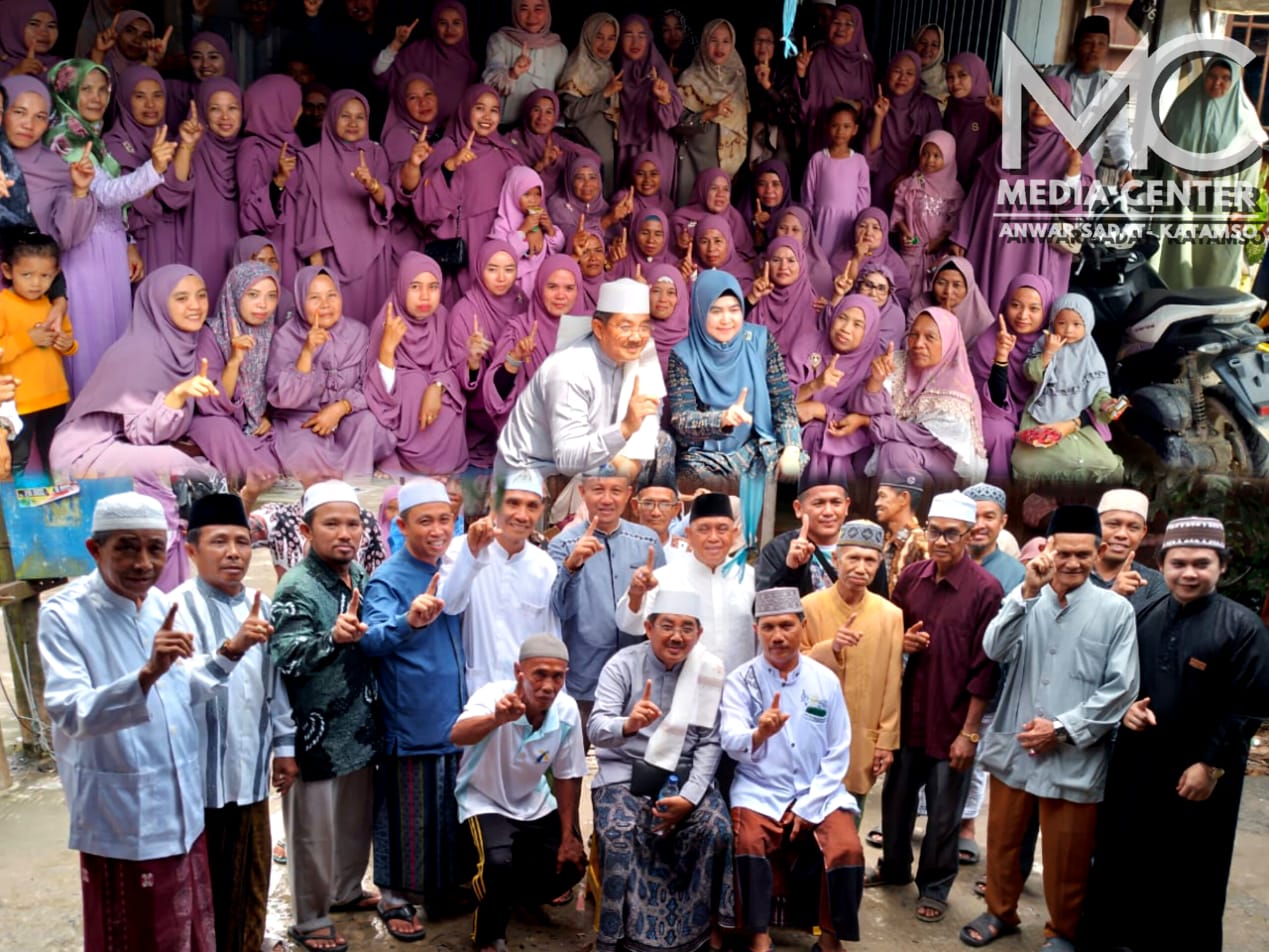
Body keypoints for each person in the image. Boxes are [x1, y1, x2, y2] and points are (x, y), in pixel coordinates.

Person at [38, 491, 232, 951]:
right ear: (95, 549)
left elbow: (183, 687)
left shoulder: (159, 604)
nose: (143, 562)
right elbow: (70, 711)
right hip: (121, 814)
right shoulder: (64, 614)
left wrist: (231, 651)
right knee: (133, 934)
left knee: (186, 929)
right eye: (126, 547)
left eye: (154, 548)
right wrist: (145, 675)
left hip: (181, 804)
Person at [1083, 516, 1269, 952]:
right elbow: (1115, 676)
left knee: (1190, 872)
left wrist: (1210, 764)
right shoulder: (1143, 612)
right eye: (1178, 562)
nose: (1189, 573)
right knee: (1121, 858)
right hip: (1136, 764)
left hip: (1200, 778)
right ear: (1162, 565)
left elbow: (1249, 707)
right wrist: (1123, 709)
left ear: (1221, 567)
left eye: (1201, 563)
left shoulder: (1243, 628)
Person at [960, 504, 1138, 950]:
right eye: (1065, 553)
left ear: (1098, 553)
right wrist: (1025, 593)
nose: (1074, 563)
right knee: (1002, 841)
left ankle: (1062, 932)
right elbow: (993, 648)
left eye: (1084, 554)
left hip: (1074, 750)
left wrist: (1060, 728)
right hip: (1017, 743)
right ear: (1048, 551)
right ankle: (1000, 912)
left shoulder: (1115, 610)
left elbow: (1121, 688)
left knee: (1067, 856)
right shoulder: (1026, 597)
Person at [169, 493, 297, 952]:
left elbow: (273, 683)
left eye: (242, 542)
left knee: (253, 875)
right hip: (197, 781)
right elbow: (176, 689)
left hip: (250, 774)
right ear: (191, 549)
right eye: (219, 542)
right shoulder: (174, 609)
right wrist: (231, 649)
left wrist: (284, 749)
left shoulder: (259, 604)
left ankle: (250, 941)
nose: (233, 553)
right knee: (205, 887)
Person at [867, 491, 1001, 925]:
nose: (941, 541)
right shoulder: (911, 578)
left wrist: (970, 732)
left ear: (968, 536)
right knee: (896, 799)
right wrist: (903, 643)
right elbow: (892, 636)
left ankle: (936, 886)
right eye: (935, 531)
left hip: (952, 720)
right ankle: (894, 867)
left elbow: (986, 669)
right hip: (909, 715)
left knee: (945, 811)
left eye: (951, 534)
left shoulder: (985, 590)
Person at [49, 265, 219, 592]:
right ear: (156, 304)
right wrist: (176, 396)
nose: (195, 305)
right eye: (181, 298)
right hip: (84, 450)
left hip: (117, 444)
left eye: (200, 295)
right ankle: (162, 582)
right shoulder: (140, 352)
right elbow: (142, 433)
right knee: (178, 467)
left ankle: (165, 582)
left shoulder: (177, 343)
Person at [589, 588, 735, 952]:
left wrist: (688, 798)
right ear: (649, 627)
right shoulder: (622, 665)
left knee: (716, 830)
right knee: (621, 833)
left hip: (686, 777)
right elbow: (595, 730)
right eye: (667, 626)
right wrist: (629, 724)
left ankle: (702, 933)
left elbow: (709, 742)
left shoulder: (710, 671)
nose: (676, 636)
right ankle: (618, 935)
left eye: (687, 628)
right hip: (624, 773)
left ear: (699, 634)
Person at [269, 480, 381, 952]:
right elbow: (285, 657)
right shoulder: (295, 586)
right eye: (331, 524)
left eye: (352, 523)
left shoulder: (356, 573)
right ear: (305, 529)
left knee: (355, 822)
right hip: (313, 733)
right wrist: (331, 638)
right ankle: (310, 917)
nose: (344, 533)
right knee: (311, 834)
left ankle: (347, 891)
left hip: (357, 724)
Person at [722, 585, 865, 949]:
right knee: (748, 841)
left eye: (786, 626)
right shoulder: (741, 681)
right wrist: (759, 733)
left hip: (818, 789)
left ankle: (831, 938)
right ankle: (758, 935)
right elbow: (731, 740)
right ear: (756, 631)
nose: (777, 636)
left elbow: (839, 749)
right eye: (768, 627)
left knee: (846, 848)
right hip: (759, 788)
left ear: (802, 626)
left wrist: (810, 805)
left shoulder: (825, 680)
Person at [360, 479, 466, 937]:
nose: (438, 529)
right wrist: (408, 620)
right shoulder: (388, 577)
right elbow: (372, 638)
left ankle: (438, 887)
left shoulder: (454, 568)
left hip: (454, 714)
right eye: (426, 521)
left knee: (446, 806)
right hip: (412, 716)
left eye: (445, 519)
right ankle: (395, 896)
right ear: (402, 525)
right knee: (406, 811)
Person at [45, 58, 176, 395]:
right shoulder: (65, 139)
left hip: (108, 248)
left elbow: (111, 204)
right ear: (67, 92)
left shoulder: (90, 136)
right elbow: (103, 194)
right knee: (89, 342)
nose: (96, 97)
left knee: (111, 337)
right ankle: (85, 427)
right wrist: (153, 168)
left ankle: (107, 419)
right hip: (83, 252)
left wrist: (128, 239)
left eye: (103, 89)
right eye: (86, 89)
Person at [450, 634, 588, 952]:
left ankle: (517, 897)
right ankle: (489, 934)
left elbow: (568, 777)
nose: (548, 685)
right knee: (497, 864)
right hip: (483, 799)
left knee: (571, 864)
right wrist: (496, 719)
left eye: (558, 676)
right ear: (519, 672)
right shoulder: (493, 696)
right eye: (540, 673)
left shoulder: (566, 711)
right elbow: (457, 735)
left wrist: (569, 834)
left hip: (533, 801)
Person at [949, 75, 1093, 311]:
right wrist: (962, 235)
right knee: (983, 307)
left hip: (1033, 247)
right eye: (1035, 100)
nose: (1040, 107)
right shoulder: (1011, 139)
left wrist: (1073, 167)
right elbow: (980, 190)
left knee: (1024, 312)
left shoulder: (1074, 149)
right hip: (989, 242)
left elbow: (1073, 216)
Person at [495, 277, 661, 480]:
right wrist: (625, 428)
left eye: (643, 327)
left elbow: (645, 436)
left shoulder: (640, 360)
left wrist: (627, 461)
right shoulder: (570, 368)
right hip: (532, 475)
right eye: (625, 327)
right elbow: (567, 459)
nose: (636, 337)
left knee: (663, 448)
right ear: (599, 329)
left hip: (590, 469)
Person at [800, 521, 904, 821]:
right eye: (853, 558)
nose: (861, 567)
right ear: (836, 560)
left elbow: (891, 681)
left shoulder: (891, 615)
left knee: (847, 825)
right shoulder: (809, 607)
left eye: (870, 560)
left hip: (863, 736)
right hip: (813, 732)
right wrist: (829, 648)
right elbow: (792, 667)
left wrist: (886, 740)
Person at [548, 469, 664, 733]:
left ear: (628, 494)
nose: (607, 499)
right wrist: (572, 567)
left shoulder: (647, 541)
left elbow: (661, 612)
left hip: (638, 676)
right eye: (598, 490)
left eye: (616, 490)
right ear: (582, 493)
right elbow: (559, 610)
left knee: (635, 761)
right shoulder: (563, 544)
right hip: (584, 674)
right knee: (573, 761)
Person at [668, 269, 801, 493]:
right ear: (700, 312)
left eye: (734, 310)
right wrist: (721, 419)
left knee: (793, 467)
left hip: (756, 445)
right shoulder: (682, 355)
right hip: (705, 455)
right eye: (716, 311)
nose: (726, 320)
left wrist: (792, 446)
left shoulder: (760, 340)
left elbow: (782, 399)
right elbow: (682, 420)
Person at [265, 266, 394, 479]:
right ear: (299, 301)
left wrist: (341, 407)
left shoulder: (358, 333)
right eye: (314, 297)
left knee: (368, 423)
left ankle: (355, 487)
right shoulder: (285, 338)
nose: (325, 304)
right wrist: (306, 352)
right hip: (302, 421)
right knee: (305, 454)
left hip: (345, 415)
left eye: (331, 295)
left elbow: (370, 384)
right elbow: (283, 397)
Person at [439, 469, 560, 694]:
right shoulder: (461, 548)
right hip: (475, 692)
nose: (522, 515)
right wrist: (471, 555)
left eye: (532, 506)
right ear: (494, 503)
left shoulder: (544, 565)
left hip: (525, 695)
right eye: (513, 503)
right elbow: (450, 605)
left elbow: (550, 636)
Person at [1154, 56, 1266, 289]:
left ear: (1234, 81)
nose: (1218, 83)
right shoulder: (1182, 109)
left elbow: (1250, 171)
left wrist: (1240, 210)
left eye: (1225, 78)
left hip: (1219, 208)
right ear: (1204, 76)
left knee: (1215, 264)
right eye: (1213, 76)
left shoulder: (1244, 120)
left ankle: (1209, 313)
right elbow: (1161, 153)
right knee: (1174, 259)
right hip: (1180, 202)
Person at [617, 491, 756, 673]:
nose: (713, 538)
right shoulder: (665, 577)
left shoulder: (751, 578)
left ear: (734, 533)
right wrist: (636, 593)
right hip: (682, 688)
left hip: (740, 690)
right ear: (689, 534)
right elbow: (630, 625)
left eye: (722, 529)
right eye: (704, 529)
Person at [412, 85, 523, 301]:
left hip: (501, 240)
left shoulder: (506, 151)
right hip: (467, 240)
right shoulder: (448, 147)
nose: (487, 116)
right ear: (465, 110)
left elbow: (529, 195)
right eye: (479, 108)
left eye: (494, 110)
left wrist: (536, 227)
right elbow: (426, 207)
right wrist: (451, 166)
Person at [292, 88, 393, 324]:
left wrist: (372, 185)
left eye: (360, 117)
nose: (353, 123)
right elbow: (308, 215)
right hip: (331, 259)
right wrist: (319, 272)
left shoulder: (376, 154)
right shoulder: (310, 158)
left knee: (373, 327)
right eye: (345, 115)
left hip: (374, 257)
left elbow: (388, 204)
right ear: (332, 116)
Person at [854, 307, 987, 486]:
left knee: (896, 452)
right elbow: (863, 410)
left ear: (948, 342)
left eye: (930, 337)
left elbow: (927, 435)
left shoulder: (956, 381)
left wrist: (871, 423)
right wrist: (875, 381)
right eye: (913, 335)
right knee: (865, 451)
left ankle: (910, 512)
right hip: (901, 444)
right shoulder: (897, 362)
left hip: (944, 463)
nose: (918, 344)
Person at [365, 252, 469, 476]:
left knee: (449, 395)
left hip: (435, 400)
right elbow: (373, 391)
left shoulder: (441, 316)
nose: (425, 296)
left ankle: (441, 465)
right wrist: (387, 350)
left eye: (433, 287)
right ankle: (399, 459)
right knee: (412, 383)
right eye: (415, 287)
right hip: (402, 410)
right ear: (402, 287)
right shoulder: (387, 321)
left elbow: (451, 365)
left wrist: (437, 386)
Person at [187, 260, 285, 490]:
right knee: (217, 428)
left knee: (284, 441)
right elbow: (210, 403)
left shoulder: (276, 334)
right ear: (235, 294)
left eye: (271, 296)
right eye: (253, 294)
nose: (264, 304)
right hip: (217, 419)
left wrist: (268, 416)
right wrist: (234, 361)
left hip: (257, 427)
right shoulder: (211, 333)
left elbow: (280, 389)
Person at [1010, 294, 1124, 484]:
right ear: (1053, 321)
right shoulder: (1043, 343)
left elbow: (1097, 392)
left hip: (1078, 421)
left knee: (1106, 464)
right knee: (1025, 464)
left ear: (1088, 325)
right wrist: (1048, 352)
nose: (1068, 330)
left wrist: (1106, 404)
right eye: (1062, 323)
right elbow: (1031, 373)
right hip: (1043, 414)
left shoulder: (1091, 353)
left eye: (1077, 324)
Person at [102, 65, 195, 274]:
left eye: (158, 95)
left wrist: (187, 146)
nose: (150, 104)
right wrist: (153, 168)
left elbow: (176, 196)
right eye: (140, 96)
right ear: (125, 100)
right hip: (137, 245)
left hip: (173, 239)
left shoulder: (169, 140)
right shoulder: (112, 145)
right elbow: (131, 209)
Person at [0, 229, 76, 479]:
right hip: (17, 402)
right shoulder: (4, 304)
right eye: (27, 275)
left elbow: (70, 342)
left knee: (54, 455)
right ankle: (14, 507)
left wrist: (67, 344)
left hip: (54, 396)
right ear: (7, 271)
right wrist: (27, 339)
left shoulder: (51, 306)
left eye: (45, 276)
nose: (36, 283)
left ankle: (54, 501)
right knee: (17, 459)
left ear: (55, 276)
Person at [789, 293, 882, 484]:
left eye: (858, 324)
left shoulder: (875, 363)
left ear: (870, 331)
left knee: (826, 435)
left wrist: (820, 410)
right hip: (796, 431)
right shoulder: (807, 344)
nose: (846, 329)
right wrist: (815, 385)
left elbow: (869, 421)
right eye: (842, 317)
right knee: (818, 433)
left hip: (849, 436)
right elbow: (780, 401)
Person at [970, 273, 1055, 482]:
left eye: (1034, 308)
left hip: (1042, 414)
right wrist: (1001, 356)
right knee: (998, 432)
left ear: (1046, 311)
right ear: (1005, 304)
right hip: (999, 413)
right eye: (1015, 305)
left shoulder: (1054, 344)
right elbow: (992, 402)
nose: (1023, 315)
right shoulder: (989, 341)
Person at [236, 74, 304, 287]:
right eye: (295, 103)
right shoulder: (253, 149)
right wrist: (279, 181)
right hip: (274, 249)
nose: (300, 110)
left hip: (296, 245)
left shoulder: (293, 143)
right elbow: (250, 216)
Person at [1045, 15, 1130, 184]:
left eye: (1101, 44)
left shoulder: (1112, 88)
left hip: (1083, 166)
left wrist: (1125, 166)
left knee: (1072, 207)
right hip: (1044, 159)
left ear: (1107, 48)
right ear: (1076, 45)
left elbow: (1118, 133)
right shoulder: (1052, 75)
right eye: (1088, 42)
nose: (1094, 49)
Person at [674, 19, 749, 205]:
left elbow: (743, 125)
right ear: (704, 42)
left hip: (729, 167)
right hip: (695, 162)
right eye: (713, 40)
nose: (720, 47)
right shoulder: (689, 78)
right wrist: (710, 113)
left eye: (726, 41)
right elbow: (677, 124)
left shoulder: (738, 77)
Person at [374, 3, 478, 127]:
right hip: (411, 133)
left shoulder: (469, 65)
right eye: (443, 23)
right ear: (434, 25)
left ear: (465, 26)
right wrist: (396, 44)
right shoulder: (417, 52)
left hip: (449, 137)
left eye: (456, 23)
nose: (450, 29)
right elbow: (379, 72)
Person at [866, 50, 941, 211]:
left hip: (919, 175)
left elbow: (937, 150)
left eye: (909, 73)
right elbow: (871, 152)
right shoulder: (880, 102)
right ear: (888, 73)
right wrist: (880, 116)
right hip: (881, 174)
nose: (902, 78)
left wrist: (907, 177)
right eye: (897, 71)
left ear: (917, 78)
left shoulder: (927, 106)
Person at [795, 4, 875, 153]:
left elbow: (872, 105)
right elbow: (806, 101)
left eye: (848, 24)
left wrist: (858, 105)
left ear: (857, 29)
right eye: (836, 22)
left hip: (852, 144)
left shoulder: (865, 66)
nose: (841, 28)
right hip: (820, 139)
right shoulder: (818, 56)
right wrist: (801, 73)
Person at [756, 478, 851, 596]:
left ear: (846, 506)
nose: (828, 512)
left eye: (836, 502)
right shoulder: (777, 550)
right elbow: (762, 608)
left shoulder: (863, 548)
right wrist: (790, 570)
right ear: (798, 508)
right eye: (818, 503)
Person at [892, 131, 963, 288]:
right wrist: (906, 233)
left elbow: (955, 221)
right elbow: (898, 214)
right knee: (904, 289)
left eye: (937, 156)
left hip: (938, 252)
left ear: (949, 157)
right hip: (913, 247)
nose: (929, 160)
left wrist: (937, 242)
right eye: (925, 154)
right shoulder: (911, 183)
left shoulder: (954, 190)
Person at [555, 14, 618, 191]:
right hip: (585, 144)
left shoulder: (610, 69)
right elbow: (570, 111)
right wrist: (604, 93)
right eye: (599, 36)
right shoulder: (577, 67)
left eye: (611, 38)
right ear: (588, 36)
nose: (605, 44)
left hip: (608, 149)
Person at [801, 102, 870, 258]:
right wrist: (810, 219)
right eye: (835, 126)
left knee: (844, 260)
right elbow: (808, 193)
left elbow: (864, 196)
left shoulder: (859, 161)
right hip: (822, 221)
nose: (840, 131)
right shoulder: (818, 159)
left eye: (846, 126)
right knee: (820, 258)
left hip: (849, 222)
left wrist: (859, 223)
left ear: (855, 129)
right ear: (827, 127)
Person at [482, 0, 568, 125]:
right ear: (515, 11)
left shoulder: (559, 50)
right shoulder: (500, 41)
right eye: (524, 9)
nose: (531, 16)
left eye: (538, 8)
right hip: (503, 128)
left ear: (548, 11)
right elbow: (488, 87)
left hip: (540, 132)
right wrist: (512, 74)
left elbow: (559, 98)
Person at [1088, 488, 1167, 607]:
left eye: (1133, 528)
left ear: (1143, 532)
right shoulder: (1071, 572)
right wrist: (1114, 595)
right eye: (1113, 524)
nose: (1122, 535)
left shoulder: (1153, 583)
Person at [491, 164, 563, 294]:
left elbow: (556, 250)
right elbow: (502, 257)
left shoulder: (541, 219)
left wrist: (550, 229)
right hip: (515, 288)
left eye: (537, 194)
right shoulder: (502, 224)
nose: (533, 200)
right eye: (527, 194)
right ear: (513, 193)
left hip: (540, 284)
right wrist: (523, 230)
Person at [746, 236, 818, 359]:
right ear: (766, 263)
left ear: (802, 265)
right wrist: (752, 299)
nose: (783, 267)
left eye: (791, 260)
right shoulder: (754, 294)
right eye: (776, 260)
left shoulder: (814, 304)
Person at [906, 255, 994, 351]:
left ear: (969, 288)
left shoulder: (983, 320)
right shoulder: (920, 305)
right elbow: (907, 342)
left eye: (956, 285)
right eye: (941, 283)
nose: (948, 291)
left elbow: (983, 357)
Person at [942, 53, 1000, 189]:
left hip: (980, 185)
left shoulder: (990, 109)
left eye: (962, 75)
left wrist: (1001, 115)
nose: (955, 82)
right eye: (950, 77)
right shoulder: (952, 106)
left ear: (976, 75)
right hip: (950, 184)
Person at [964, 483, 1025, 593]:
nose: (979, 525)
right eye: (972, 516)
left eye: (989, 517)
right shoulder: (946, 565)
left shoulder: (1018, 574)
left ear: (1002, 522)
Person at [874, 473, 927, 596]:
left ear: (903, 498)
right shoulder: (884, 540)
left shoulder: (920, 545)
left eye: (882, 496)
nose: (877, 503)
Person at [630, 475, 688, 557]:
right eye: (648, 503)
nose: (656, 513)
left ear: (676, 509)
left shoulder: (689, 553)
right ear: (635, 506)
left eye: (664, 504)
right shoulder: (618, 550)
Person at [912, 24, 948, 109]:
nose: (927, 49)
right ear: (914, 44)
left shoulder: (950, 78)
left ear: (940, 49)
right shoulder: (901, 74)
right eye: (923, 43)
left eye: (934, 45)